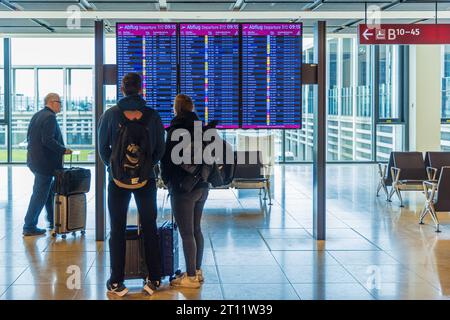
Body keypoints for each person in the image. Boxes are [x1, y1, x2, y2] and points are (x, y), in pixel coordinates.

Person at [98, 72, 165, 297]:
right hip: (146, 181)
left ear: (122, 89)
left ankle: (117, 282)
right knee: (149, 226)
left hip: (117, 182)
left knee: (116, 229)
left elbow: (102, 149)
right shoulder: (153, 116)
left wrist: (116, 168)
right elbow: (159, 150)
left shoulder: (110, 115)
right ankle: (154, 278)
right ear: (141, 89)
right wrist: (145, 167)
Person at [161, 94, 210, 289]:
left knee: (186, 233)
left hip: (182, 187)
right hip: (202, 186)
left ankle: (189, 278)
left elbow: (167, 160)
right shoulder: (201, 128)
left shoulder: (175, 129)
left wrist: (167, 181)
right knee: (196, 229)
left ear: (177, 108)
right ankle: (197, 271)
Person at [23, 93, 72, 237]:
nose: (61, 105)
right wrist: (64, 150)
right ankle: (29, 225)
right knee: (39, 194)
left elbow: (30, 137)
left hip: (35, 161)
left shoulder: (38, 115)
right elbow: (48, 140)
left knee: (49, 191)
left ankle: (52, 220)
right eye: (59, 102)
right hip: (44, 164)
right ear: (52, 102)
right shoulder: (50, 117)